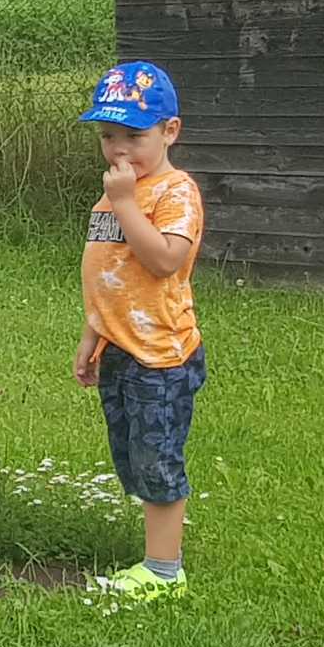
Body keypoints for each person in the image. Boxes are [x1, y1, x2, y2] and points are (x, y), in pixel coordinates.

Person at [74, 60, 205, 600]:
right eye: (109, 136)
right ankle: (154, 557)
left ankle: (164, 572)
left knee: (157, 458)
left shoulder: (174, 192)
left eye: (134, 136)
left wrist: (128, 204)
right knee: (131, 454)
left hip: (160, 355)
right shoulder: (112, 197)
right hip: (121, 348)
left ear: (169, 131)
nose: (119, 150)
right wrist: (93, 335)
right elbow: (108, 276)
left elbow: (164, 261)